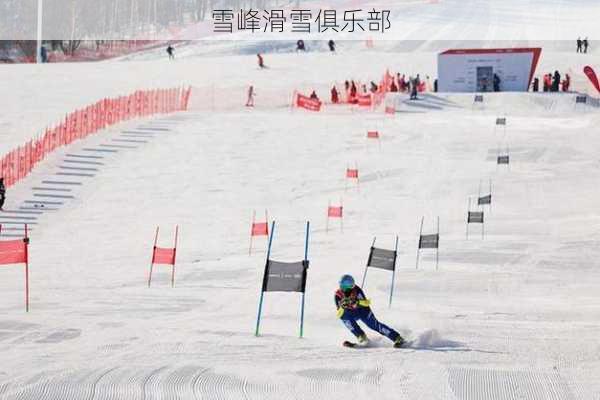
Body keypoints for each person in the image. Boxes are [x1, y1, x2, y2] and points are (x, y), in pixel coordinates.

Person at [335, 275, 405, 348]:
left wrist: (357, 302)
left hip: (363, 311)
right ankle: (361, 337)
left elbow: (366, 302)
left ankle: (397, 338)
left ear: (351, 285)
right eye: (342, 285)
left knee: (374, 325)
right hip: (351, 313)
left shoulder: (356, 290)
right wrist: (342, 307)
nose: (343, 288)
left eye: (346, 285)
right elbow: (339, 314)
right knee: (344, 317)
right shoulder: (338, 295)